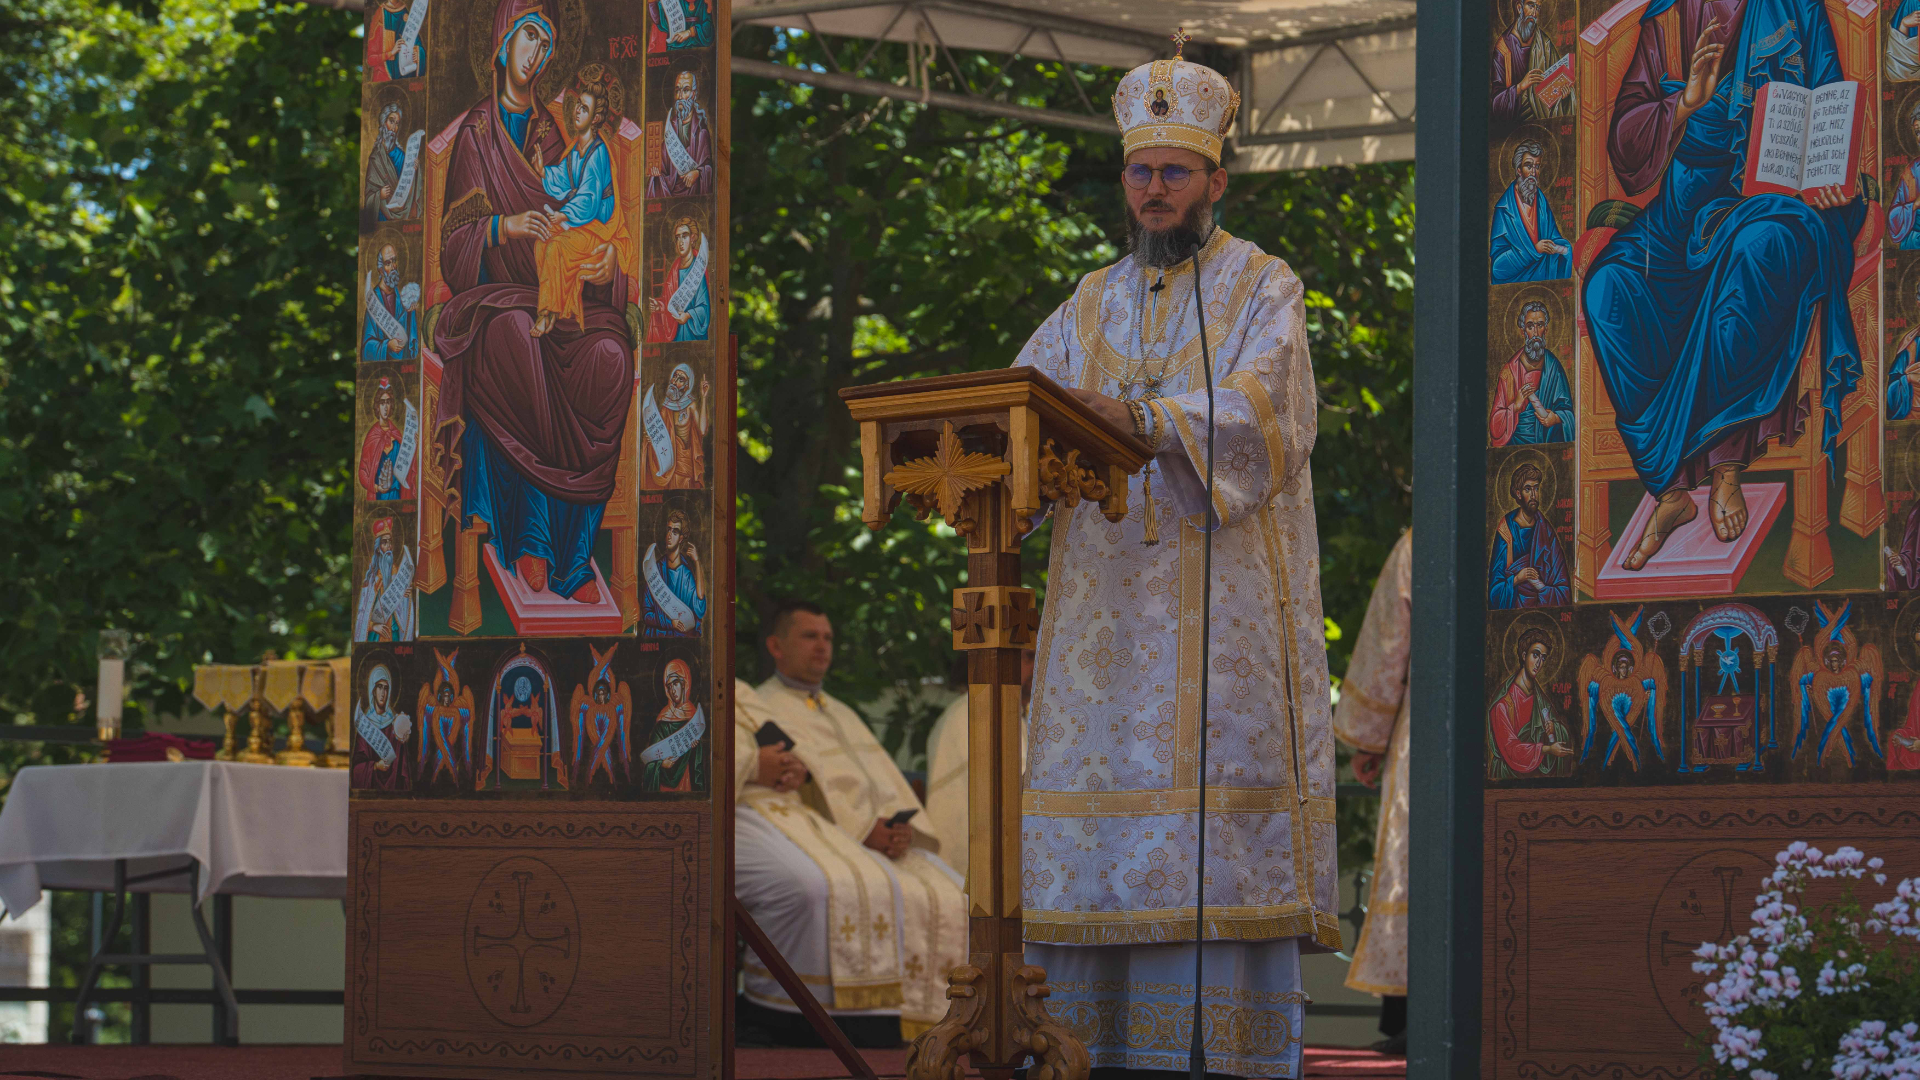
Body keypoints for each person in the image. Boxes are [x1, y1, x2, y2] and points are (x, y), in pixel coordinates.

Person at [1008, 42, 1337, 1079]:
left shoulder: (1261, 284)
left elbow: (1268, 410)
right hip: (1101, 651)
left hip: (1220, 631)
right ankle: (1078, 1047)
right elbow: (1019, 405)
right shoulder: (1088, 301)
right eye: (1141, 172)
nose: (1155, 190)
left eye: (1175, 172)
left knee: (1213, 828)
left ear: (1215, 182)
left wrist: (1145, 419)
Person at [1582, 0, 1869, 571]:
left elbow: (1832, 108)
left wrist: (1830, 179)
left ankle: (1726, 466)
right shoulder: (1664, 22)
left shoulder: (1799, 10)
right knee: (1607, 288)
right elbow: (1625, 142)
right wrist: (1683, 103)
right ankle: (1669, 495)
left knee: (1753, 255)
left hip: (1773, 204)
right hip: (1679, 217)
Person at [432, 0, 636, 608]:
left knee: (611, 355)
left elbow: (594, 211)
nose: (537, 54)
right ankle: (536, 541)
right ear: (500, 44)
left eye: (546, 45)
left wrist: (607, 263)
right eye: (528, 38)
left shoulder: (559, 131)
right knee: (521, 335)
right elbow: (453, 245)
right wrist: (507, 227)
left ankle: (576, 556)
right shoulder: (475, 133)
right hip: (493, 301)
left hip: (565, 293)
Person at [734, 601, 966, 1045]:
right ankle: (835, 1017)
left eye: (828, 638)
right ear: (775, 646)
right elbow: (800, 785)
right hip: (833, 835)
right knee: (858, 888)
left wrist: (902, 828)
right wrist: (863, 830)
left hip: (880, 838)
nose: (822, 647)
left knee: (954, 892)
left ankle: (936, 1013)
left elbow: (883, 779)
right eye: (809, 636)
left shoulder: (841, 710)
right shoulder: (761, 705)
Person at [1331, 532, 1411, 1055]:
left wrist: (1368, 737)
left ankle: (1413, 1015)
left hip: (1432, 718)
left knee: (1416, 856)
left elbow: (1390, 639)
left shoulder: (1425, 538)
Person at [922, 649, 1033, 892]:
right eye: (1029, 657)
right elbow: (1007, 795)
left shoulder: (1015, 714)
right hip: (976, 879)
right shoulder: (972, 713)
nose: (1038, 667)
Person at [533, 67, 629, 338]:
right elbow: (563, 179)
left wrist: (564, 216)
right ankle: (561, 307)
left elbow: (588, 199)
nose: (577, 112)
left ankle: (548, 313)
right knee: (541, 242)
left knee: (555, 249)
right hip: (580, 225)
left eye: (584, 109)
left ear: (596, 117)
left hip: (597, 228)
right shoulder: (575, 150)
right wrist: (544, 172)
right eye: (577, 106)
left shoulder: (598, 153)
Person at [1487, 629, 1576, 779]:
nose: (1539, 663)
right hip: (1508, 780)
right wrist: (1547, 749)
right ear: (1523, 655)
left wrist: (1554, 729)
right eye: (1535, 655)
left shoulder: (1541, 700)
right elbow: (1511, 749)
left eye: (1543, 658)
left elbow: (1556, 733)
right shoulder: (1503, 705)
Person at [1489, 301, 1574, 445]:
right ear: (1523, 331)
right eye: (1530, 326)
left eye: (1539, 325)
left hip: (1549, 440)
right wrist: (1515, 406)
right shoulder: (1509, 372)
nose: (1535, 333)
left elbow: (1570, 413)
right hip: (1516, 444)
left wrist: (1556, 418)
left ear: (1546, 330)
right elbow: (1494, 425)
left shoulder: (1554, 366)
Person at [1487, 461, 1570, 609]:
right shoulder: (1507, 530)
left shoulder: (1545, 529)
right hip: (1515, 604)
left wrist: (1542, 588)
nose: (1533, 495)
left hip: (1542, 602)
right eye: (1527, 489)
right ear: (1518, 494)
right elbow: (1494, 591)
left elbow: (1563, 588)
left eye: (1536, 489)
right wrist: (1518, 578)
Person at [1489, 141, 1572, 283]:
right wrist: (1534, 250)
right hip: (1516, 283)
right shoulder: (1504, 210)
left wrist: (1562, 249)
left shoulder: (1540, 201)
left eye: (1537, 166)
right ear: (1518, 169)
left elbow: (1554, 237)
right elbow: (1497, 267)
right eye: (1529, 165)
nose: (1533, 172)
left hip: (1543, 279)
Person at [1491, 0, 1573, 136]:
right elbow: (1495, 105)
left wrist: (1564, 96)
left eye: (1538, 8)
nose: (1534, 13)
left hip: (1544, 123)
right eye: (1531, 5)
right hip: (1517, 128)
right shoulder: (1503, 48)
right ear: (1519, 7)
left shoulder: (1544, 43)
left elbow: (1558, 82)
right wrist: (1520, 87)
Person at [641, 363, 710, 490]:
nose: (674, 381)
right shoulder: (666, 408)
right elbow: (660, 434)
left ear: (686, 386)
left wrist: (704, 398)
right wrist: (651, 440)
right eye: (675, 376)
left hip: (685, 462)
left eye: (681, 379)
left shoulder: (691, 405)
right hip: (670, 461)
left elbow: (702, 430)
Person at [646, 70, 715, 197]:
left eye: (686, 90)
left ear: (694, 94)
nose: (680, 96)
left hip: (692, 189)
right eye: (677, 90)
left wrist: (697, 173)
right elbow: (663, 166)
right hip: (671, 187)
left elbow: (708, 166)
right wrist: (656, 170)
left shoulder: (701, 131)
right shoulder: (670, 128)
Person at [640, 659, 705, 792]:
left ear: (684, 683)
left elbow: (699, 766)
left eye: (675, 683)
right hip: (663, 787)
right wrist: (661, 764)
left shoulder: (694, 717)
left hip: (686, 782)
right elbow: (649, 761)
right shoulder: (662, 722)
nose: (672, 690)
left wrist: (695, 749)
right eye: (669, 686)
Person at [641, 509, 706, 637]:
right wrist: (670, 623)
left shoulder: (686, 575)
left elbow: (699, 607)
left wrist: (697, 562)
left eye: (675, 532)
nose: (669, 535)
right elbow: (647, 614)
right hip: (657, 638)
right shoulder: (655, 571)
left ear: (681, 538)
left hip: (680, 640)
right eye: (669, 530)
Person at [351, 664, 414, 791]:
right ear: (372, 690)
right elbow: (356, 768)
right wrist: (375, 766)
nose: (383, 693)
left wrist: (403, 741)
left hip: (394, 794)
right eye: (379, 687)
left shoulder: (395, 723)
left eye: (386, 688)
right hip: (371, 792)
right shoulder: (365, 725)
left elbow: (402, 769)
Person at [648, 215, 710, 342]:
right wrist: (660, 307)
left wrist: (687, 315)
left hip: (692, 334)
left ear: (692, 238)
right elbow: (671, 302)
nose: (680, 242)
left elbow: (705, 308)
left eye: (684, 236)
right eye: (677, 238)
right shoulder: (675, 268)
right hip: (675, 334)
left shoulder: (697, 269)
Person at [364, 103, 421, 224]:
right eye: (391, 121)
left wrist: (414, 172)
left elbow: (408, 190)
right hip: (381, 215)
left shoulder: (403, 156)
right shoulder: (375, 158)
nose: (393, 128)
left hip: (402, 214)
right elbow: (368, 195)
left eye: (397, 124)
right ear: (383, 123)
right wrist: (379, 195)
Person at [358, 377, 414, 502]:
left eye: (388, 402)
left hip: (398, 494)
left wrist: (414, 443)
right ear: (377, 406)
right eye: (382, 403)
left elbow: (407, 464)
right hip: (380, 496)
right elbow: (362, 471)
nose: (385, 407)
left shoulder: (397, 434)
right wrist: (376, 488)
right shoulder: (373, 436)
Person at [361, 244, 418, 363]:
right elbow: (366, 347)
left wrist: (410, 315)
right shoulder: (374, 302)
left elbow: (411, 344)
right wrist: (387, 345)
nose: (393, 267)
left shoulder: (402, 299)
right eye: (388, 263)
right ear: (380, 270)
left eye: (394, 261)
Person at [365, 0, 424, 82]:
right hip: (384, 77)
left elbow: (416, 42)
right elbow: (371, 60)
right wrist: (391, 52)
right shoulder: (380, 15)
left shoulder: (405, 12)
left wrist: (417, 54)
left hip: (406, 76)